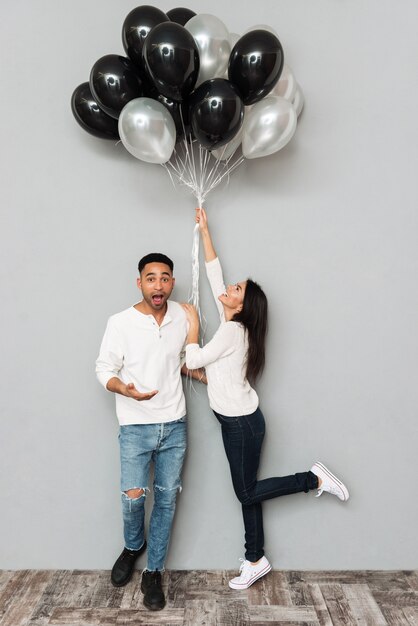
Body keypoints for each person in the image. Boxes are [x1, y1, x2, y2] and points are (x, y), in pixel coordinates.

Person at [182, 209, 349, 590]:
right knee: (249, 491)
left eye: (235, 290)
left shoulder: (230, 332)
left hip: (241, 425)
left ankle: (313, 478)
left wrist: (192, 328)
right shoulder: (234, 327)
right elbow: (213, 274)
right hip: (238, 420)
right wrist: (205, 231)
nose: (227, 289)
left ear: (240, 306)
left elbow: (194, 355)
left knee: (245, 491)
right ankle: (255, 558)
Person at [96, 252, 205, 611]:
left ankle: (153, 572)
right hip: (135, 426)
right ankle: (132, 546)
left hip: (174, 424)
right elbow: (104, 368)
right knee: (133, 498)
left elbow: (181, 362)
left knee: (167, 501)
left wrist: (203, 371)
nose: (158, 284)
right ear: (139, 282)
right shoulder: (120, 322)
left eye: (164, 278)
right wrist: (123, 388)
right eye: (151, 278)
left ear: (172, 282)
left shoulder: (183, 315)